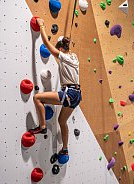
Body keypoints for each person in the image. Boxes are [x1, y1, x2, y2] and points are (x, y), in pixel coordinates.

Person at [29, 18, 82, 160]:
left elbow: (46, 44)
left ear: (60, 49)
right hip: (77, 94)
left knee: (37, 98)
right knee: (62, 121)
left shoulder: (63, 57)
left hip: (69, 93)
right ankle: (65, 149)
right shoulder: (74, 57)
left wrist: (41, 25)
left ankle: (42, 126)